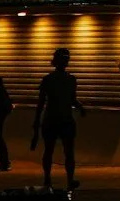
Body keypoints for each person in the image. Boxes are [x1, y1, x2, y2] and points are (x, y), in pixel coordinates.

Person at [31, 48, 83, 189]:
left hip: (52, 119)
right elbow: (72, 100)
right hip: (64, 120)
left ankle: (48, 180)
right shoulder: (70, 79)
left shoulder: (49, 79)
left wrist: (37, 121)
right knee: (67, 152)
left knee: (49, 150)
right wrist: (81, 107)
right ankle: (68, 180)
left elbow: (41, 102)